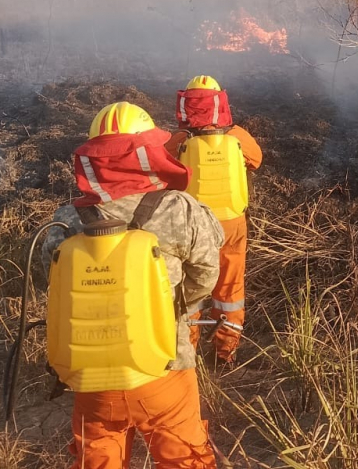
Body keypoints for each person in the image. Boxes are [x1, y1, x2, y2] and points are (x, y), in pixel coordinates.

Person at [42, 101, 223, 469]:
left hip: (91, 375)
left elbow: (51, 283)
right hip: (165, 367)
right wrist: (179, 310)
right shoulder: (178, 208)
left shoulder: (65, 221)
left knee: (98, 459)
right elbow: (206, 273)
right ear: (148, 152)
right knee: (184, 458)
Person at [166, 75, 262, 365]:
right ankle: (226, 354)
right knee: (230, 291)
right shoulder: (238, 137)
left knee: (189, 289)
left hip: (193, 227)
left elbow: (162, 170)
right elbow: (256, 161)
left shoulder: (180, 141)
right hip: (232, 224)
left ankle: (188, 352)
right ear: (221, 104)